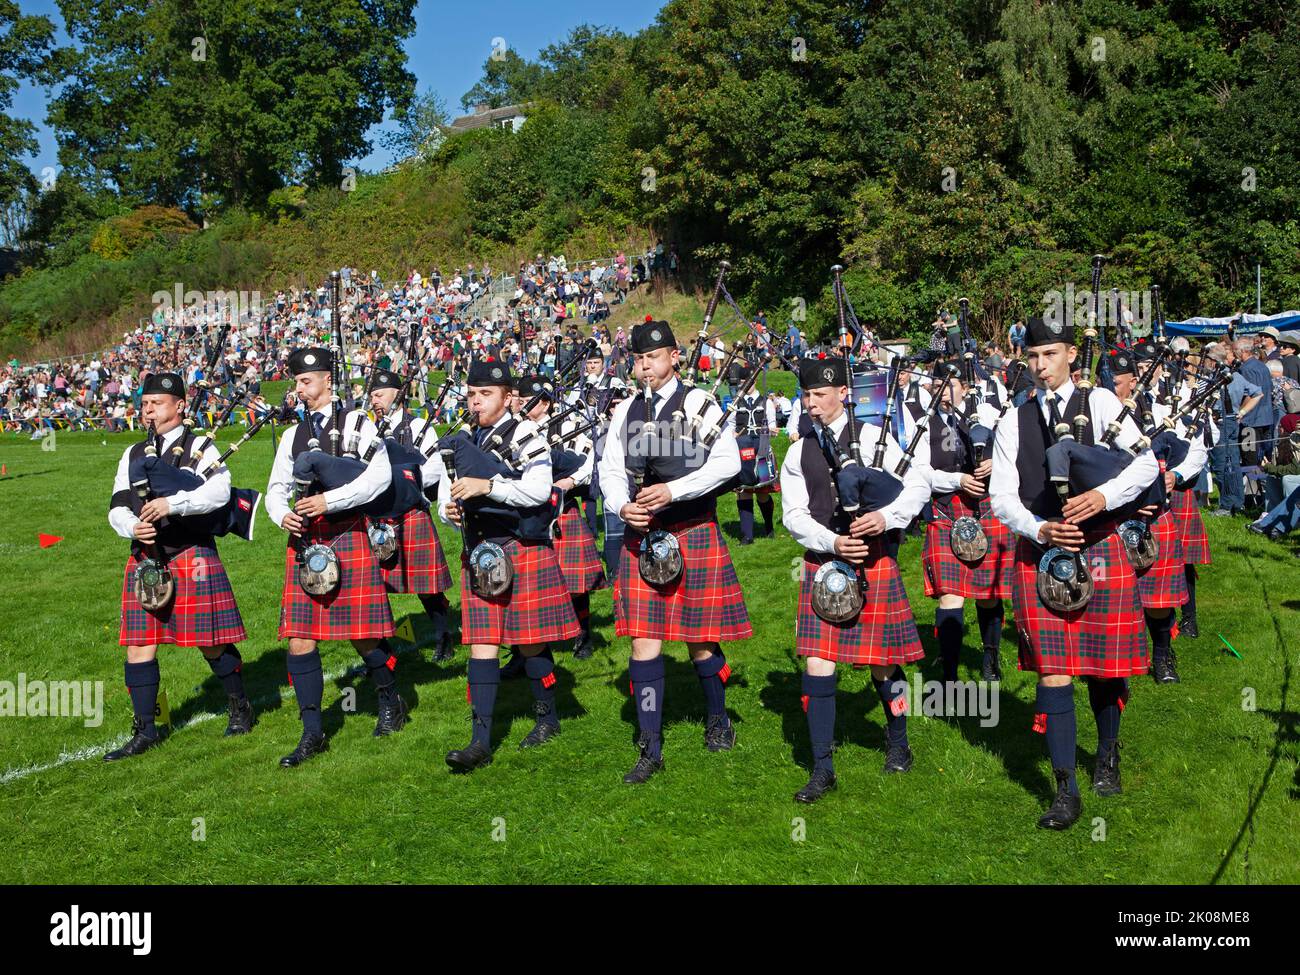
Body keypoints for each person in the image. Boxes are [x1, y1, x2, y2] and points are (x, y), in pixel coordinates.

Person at [989, 316, 1159, 829]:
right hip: (1040, 552)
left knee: (1105, 666)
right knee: (1054, 668)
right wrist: (1038, 529)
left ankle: (1107, 753)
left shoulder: (1103, 403)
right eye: (1033, 358)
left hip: (1101, 546)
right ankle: (1065, 789)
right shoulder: (1012, 421)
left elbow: (1147, 463)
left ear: (1070, 357)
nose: (1041, 367)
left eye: (1050, 356)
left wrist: (1104, 496)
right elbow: (1000, 497)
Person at [597, 320, 752, 784]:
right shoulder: (626, 410)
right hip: (643, 534)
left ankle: (718, 717)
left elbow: (726, 463)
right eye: (640, 359)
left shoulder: (699, 404)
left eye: (655, 357)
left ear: (674, 357)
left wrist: (673, 491)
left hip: (692, 528)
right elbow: (609, 468)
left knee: (701, 640)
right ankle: (650, 745)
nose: (646, 366)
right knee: (644, 641)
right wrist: (622, 505)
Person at [780, 356, 931, 802]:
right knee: (817, 664)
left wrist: (886, 517)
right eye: (806, 395)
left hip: (874, 561)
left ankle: (899, 739)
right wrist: (831, 542)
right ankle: (822, 769)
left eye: (820, 395)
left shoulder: (873, 438)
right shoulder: (796, 452)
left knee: (884, 663)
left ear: (843, 394)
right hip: (825, 563)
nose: (811, 405)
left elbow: (918, 484)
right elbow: (793, 516)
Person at [437, 359, 580, 770]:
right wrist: (450, 512)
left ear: (507, 397)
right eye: (472, 394)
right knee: (482, 645)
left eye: (486, 394)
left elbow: (537, 491)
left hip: (520, 546)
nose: (477, 402)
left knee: (531, 640)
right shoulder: (463, 437)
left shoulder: (527, 433)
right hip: (480, 550)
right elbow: (447, 494)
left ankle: (548, 717)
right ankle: (479, 740)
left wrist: (490, 486)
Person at [265, 348, 403, 768]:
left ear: (328, 380)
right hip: (306, 541)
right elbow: (276, 487)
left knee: (362, 634)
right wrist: (281, 514)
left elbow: (379, 480)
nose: (298, 390)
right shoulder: (292, 435)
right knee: (300, 637)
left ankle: (389, 698)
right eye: (296, 382)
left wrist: (330, 500)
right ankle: (312, 732)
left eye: (306, 382)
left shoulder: (359, 423)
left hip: (346, 533)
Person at [105, 372, 254, 759]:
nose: (148, 409)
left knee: (210, 642)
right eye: (144, 404)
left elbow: (219, 493)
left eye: (156, 403)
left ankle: (240, 707)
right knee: (139, 646)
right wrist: (131, 526)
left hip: (191, 553)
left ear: (180, 406)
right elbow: (118, 502)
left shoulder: (201, 446)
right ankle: (145, 730)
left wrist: (174, 504)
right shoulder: (134, 452)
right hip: (147, 556)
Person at [916, 362, 1016, 684]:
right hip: (947, 513)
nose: (943, 392)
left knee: (989, 593)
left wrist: (993, 462)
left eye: (951, 385)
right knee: (951, 595)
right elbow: (921, 473)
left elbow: (1013, 456)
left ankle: (990, 658)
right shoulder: (924, 424)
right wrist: (957, 479)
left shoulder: (988, 416)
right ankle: (948, 673)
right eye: (938, 385)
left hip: (986, 510)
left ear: (965, 388)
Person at [366, 369, 456, 662]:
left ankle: (444, 636)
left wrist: (405, 481)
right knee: (372, 585)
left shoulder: (419, 425)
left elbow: (433, 467)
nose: (374, 400)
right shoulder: (367, 429)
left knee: (427, 586)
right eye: (371, 396)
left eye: (379, 394)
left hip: (411, 511)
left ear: (397, 394)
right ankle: (380, 648)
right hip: (377, 513)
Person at [732, 381, 778, 544]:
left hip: (762, 449)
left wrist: (771, 431)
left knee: (762, 492)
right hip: (742, 449)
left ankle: (769, 526)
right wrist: (732, 435)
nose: (744, 385)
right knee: (743, 490)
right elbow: (730, 425)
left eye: (748, 382)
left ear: (755, 381)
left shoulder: (767, 402)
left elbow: (773, 426)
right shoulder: (735, 402)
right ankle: (747, 536)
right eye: (742, 383)